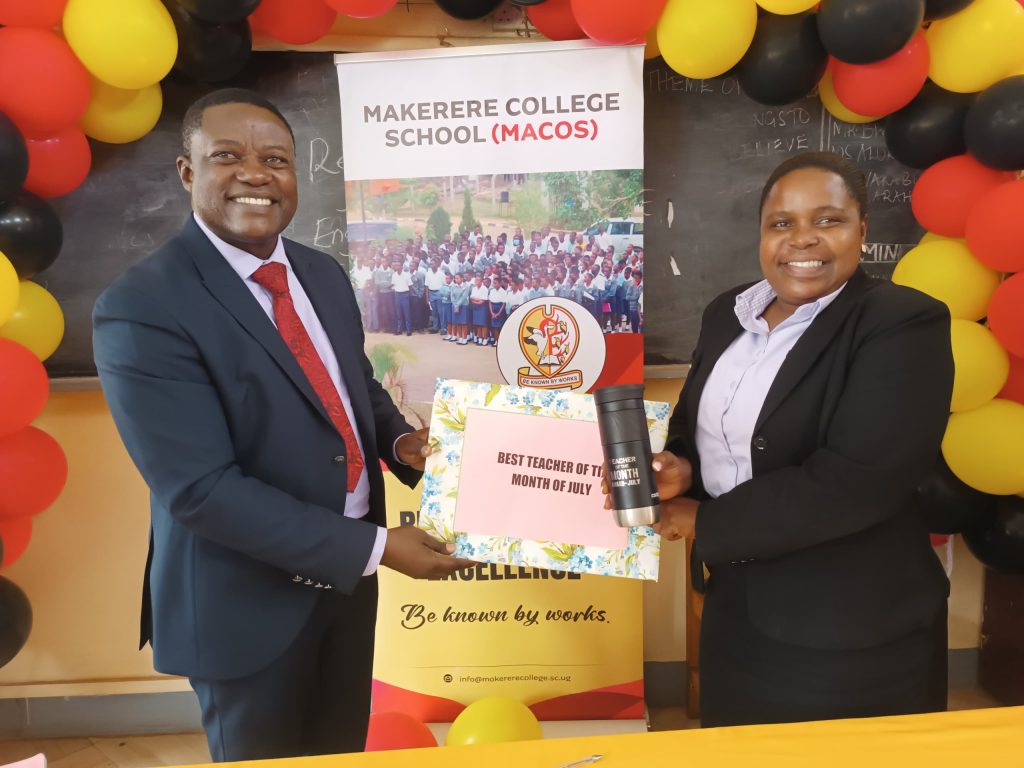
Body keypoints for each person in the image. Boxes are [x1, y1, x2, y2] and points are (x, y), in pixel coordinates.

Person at [92, 89, 473, 762]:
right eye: (227, 156)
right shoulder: (144, 305)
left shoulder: (320, 274)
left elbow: (352, 386)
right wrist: (379, 549)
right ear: (187, 170)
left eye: (275, 159)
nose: (255, 174)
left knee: (337, 753)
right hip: (244, 604)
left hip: (346, 588)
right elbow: (201, 490)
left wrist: (400, 442)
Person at [651, 152, 953, 728]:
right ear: (762, 234)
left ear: (862, 230)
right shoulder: (726, 315)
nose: (802, 239)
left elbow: (858, 480)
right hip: (734, 610)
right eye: (782, 223)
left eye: (828, 220)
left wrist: (703, 520)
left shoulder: (902, 322)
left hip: (849, 628)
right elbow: (697, 426)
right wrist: (681, 468)